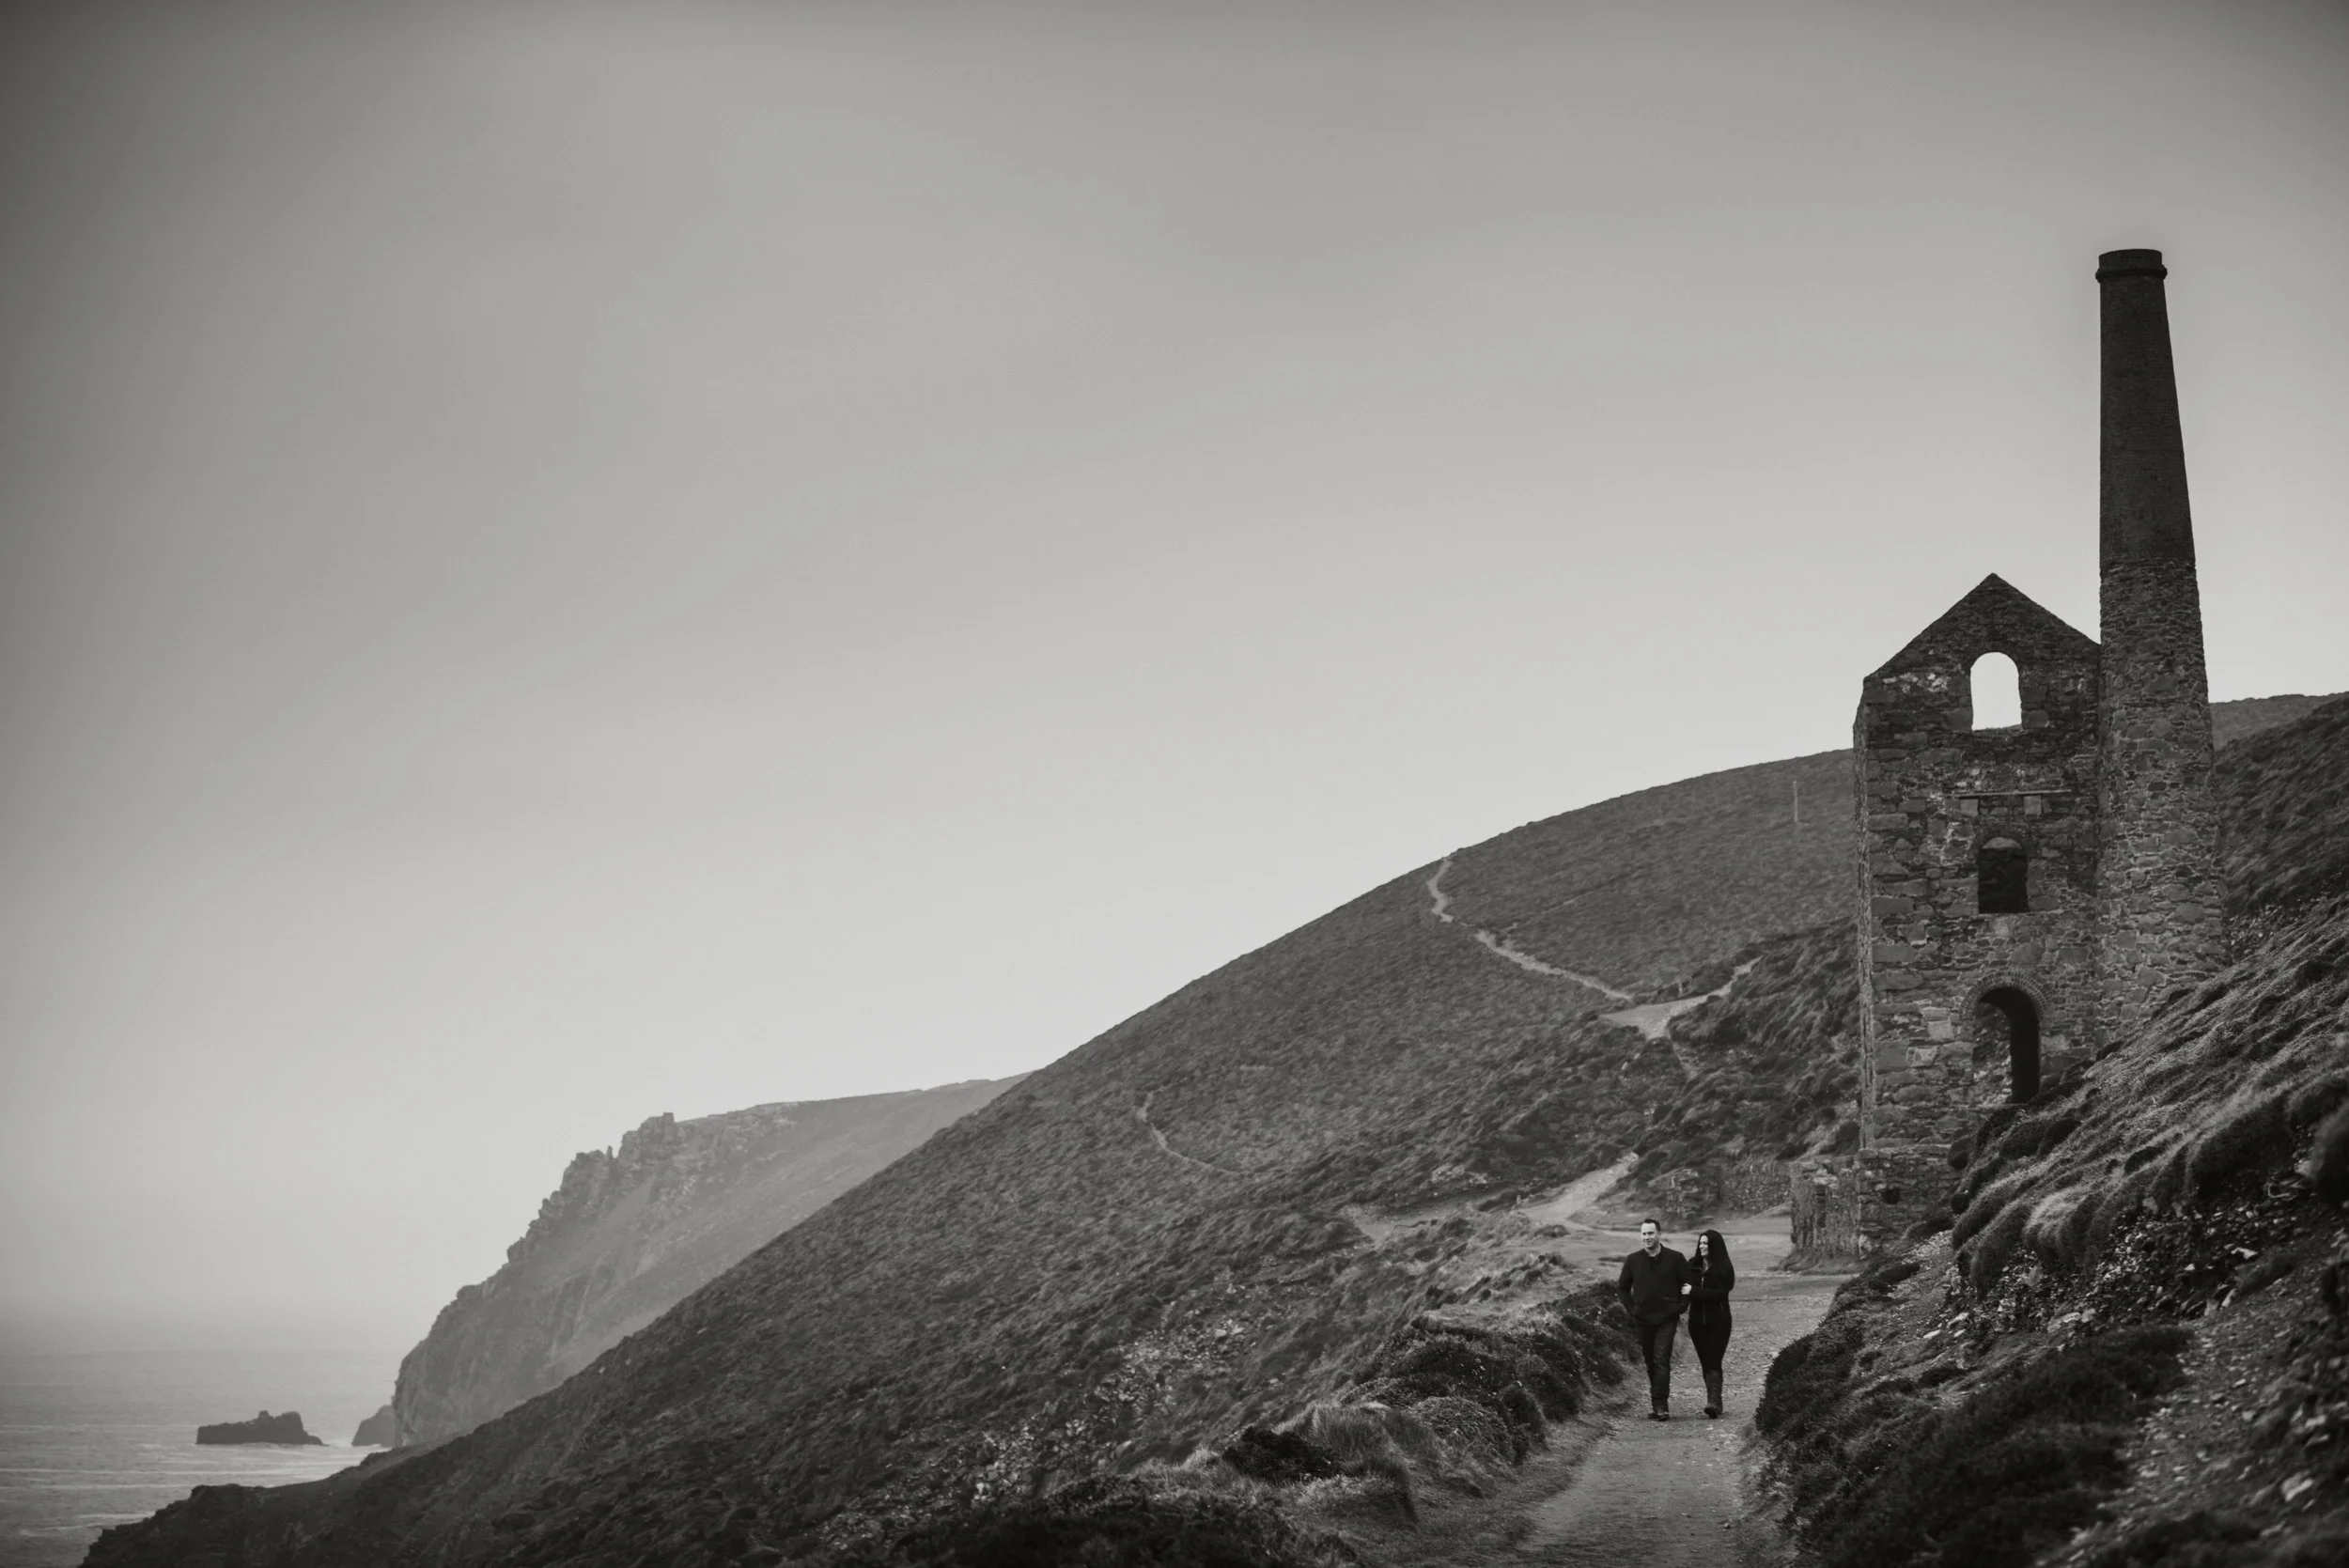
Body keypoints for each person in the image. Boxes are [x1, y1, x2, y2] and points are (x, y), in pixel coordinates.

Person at [1616, 1218, 1689, 1420]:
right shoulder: (1633, 1260)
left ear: (1659, 1235)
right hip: (1643, 1319)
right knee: (1650, 1361)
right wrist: (1632, 1309)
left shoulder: (1675, 1258)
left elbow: (1688, 1284)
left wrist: (1682, 1306)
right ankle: (1656, 1402)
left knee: (1661, 1359)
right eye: (1644, 1234)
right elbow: (1622, 1288)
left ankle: (1661, 1405)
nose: (1646, 1237)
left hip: (1667, 1318)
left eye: (1650, 1233)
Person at [1686, 1228, 1737, 1419]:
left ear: (1714, 1246)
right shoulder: (1692, 1265)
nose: (1702, 1246)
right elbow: (1683, 1288)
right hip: (1696, 1323)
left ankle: (1713, 1402)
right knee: (1706, 1362)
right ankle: (1715, 1400)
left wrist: (1694, 1292)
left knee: (1714, 1359)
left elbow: (1720, 1293)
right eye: (1700, 1243)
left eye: (1706, 1243)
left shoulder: (1724, 1268)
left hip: (1720, 1322)